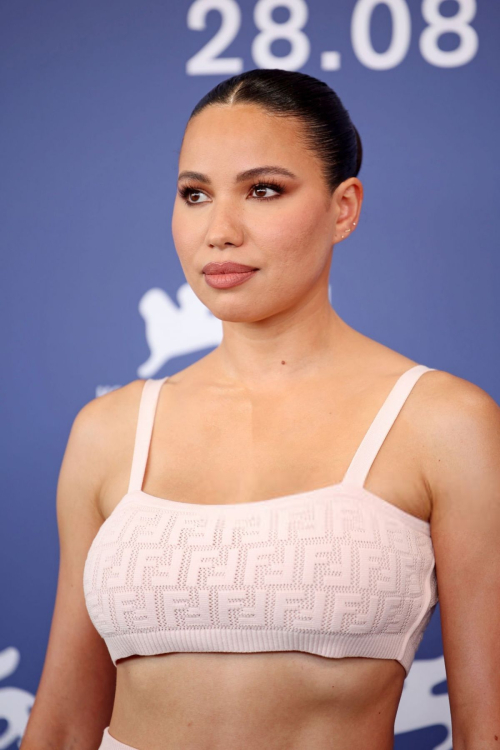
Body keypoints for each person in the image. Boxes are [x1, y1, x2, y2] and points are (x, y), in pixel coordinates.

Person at [22, 69, 500, 750]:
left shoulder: (443, 422)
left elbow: (490, 730)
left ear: (344, 208)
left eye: (264, 190)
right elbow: (65, 725)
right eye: (195, 195)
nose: (219, 230)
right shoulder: (109, 432)